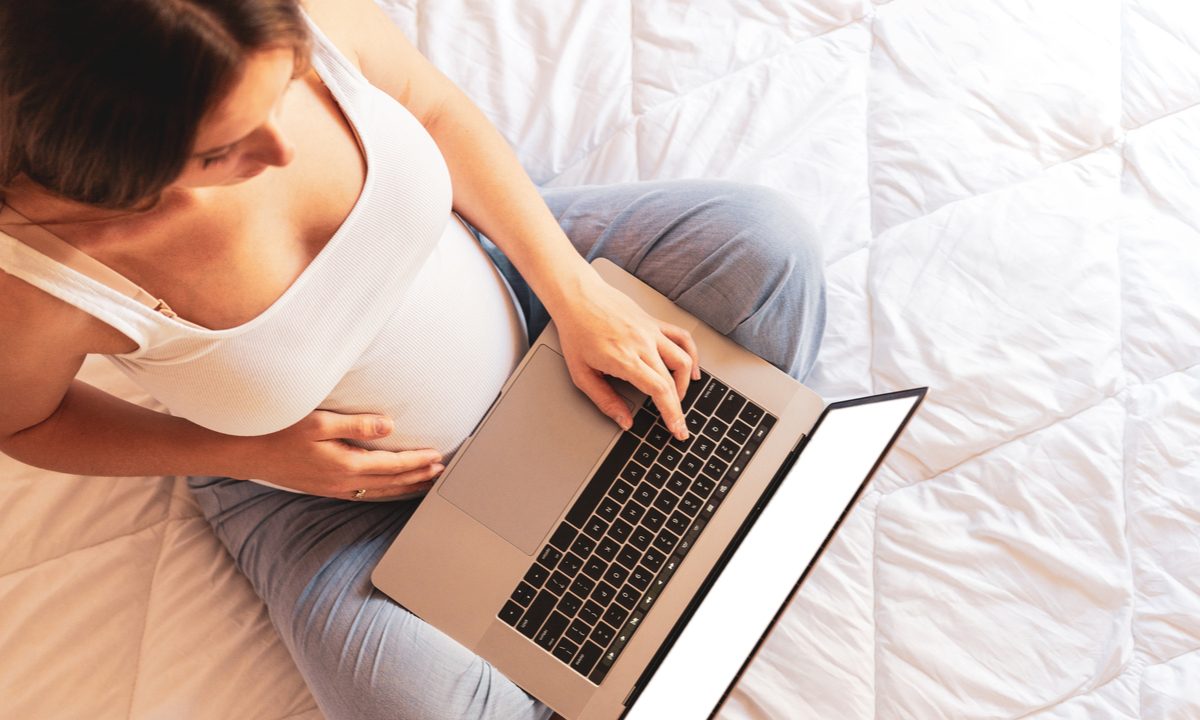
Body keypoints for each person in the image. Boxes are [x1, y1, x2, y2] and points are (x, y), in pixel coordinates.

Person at [0, 0, 826, 718]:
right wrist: (245, 452)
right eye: (221, 156)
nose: (281, 154)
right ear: (113, 166)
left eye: (285, 91)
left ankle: (642, 506)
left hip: (516, 297)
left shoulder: (279, 18)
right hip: (336, 495)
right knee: (413, 705)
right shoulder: (38, 276)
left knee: (765, 243)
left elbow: (427, 107)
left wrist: (572, 290)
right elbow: (27, 423)